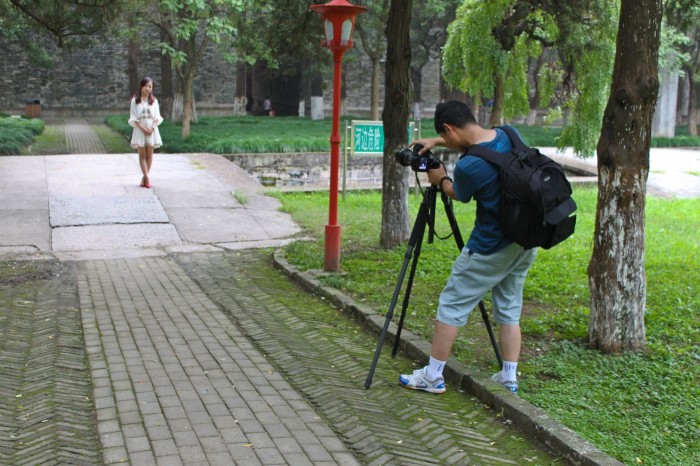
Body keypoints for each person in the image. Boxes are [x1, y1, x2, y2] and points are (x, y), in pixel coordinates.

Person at [399, 100, 537, 394]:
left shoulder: (469, 166)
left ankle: (433, 375)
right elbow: (476, 145)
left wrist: (441, 179)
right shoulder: (508, 134)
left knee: (451, 304)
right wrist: (437, 139)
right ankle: (509, 376)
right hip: (525, 239)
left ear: (449, 128)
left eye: (444, 136)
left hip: (490, 247)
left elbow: (457, 193)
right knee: (509, 307)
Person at [128, 77, 163, 188]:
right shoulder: (135, 101)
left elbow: (157, 117)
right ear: (141, 86)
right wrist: (142, 128)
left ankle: (144, 178)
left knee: (149, 155)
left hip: (152, 130)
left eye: (150, 87)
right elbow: (133, 117)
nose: (148, 89)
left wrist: (152, 127)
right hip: (139, 130)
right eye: (146, 86)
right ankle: (147, 178)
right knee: (142, 155)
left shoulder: (154, 101)